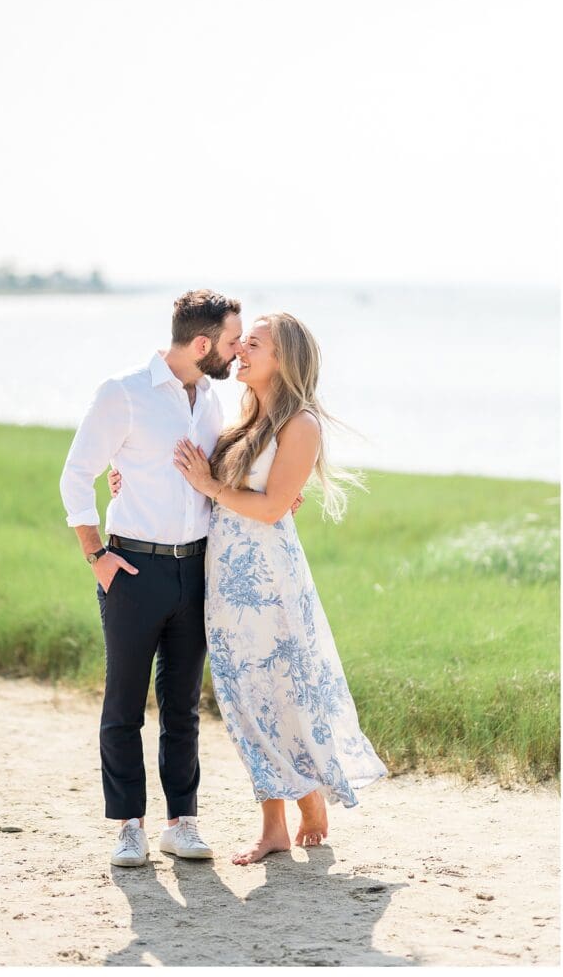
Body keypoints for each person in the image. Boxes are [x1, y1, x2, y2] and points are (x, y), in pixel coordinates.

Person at [113, 312, 388, 865]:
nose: (238, 351)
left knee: (277, 693)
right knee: (243, 700)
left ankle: (301, 807)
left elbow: (268, 507)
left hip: (267, 583)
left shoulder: (300, 423)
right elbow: (197, 476)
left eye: (252, 345)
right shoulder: (245, 414)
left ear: (283, 359)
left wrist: (212, 485)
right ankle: (278, 825)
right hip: (223, 578)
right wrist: (128, 477)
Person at [59, 289, 243, 867]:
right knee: (123, 705)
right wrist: (97, 557)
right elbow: (75, 477)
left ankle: (181, 822)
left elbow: (221, 471)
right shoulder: (124, 393)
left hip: (197, 569)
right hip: (133, 570)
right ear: (202, 343)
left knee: (183, 705)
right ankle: (128, 826)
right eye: (232, 342)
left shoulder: (213, 399)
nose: (238, 353)